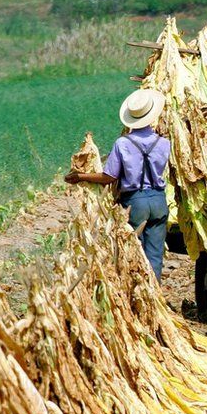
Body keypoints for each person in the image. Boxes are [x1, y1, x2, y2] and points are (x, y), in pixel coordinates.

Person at [65, 89, 171, 281]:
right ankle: (154, 296)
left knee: (132, 254)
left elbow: (109, 176)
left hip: (135, 203)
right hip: (158, 200)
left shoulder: (123, 143)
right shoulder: (164, 143)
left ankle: (136, 299)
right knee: (154, 256)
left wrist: (81, 176)